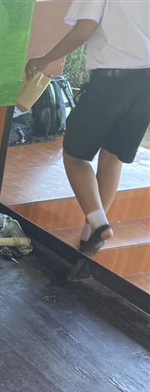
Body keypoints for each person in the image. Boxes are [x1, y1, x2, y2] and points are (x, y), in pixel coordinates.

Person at [25, 0, 150, 256]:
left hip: (112, 81)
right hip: (146, 85)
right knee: (113, 156)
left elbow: (84, 29)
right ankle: (90, 235)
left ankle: (99, 222)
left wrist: (44, 60)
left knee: (74, 156)